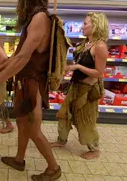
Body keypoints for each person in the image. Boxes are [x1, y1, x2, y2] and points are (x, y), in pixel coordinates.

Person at [0, 0, 61, 180]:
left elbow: (23, 58)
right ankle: (19, 159)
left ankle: (53, 168)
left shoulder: (40, 18)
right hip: (25, 84)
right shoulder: (36, 18)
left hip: (32, 84)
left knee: (33, 130)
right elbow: (19, 55)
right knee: (23, 125)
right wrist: (1, 64)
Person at [50, 12, 109, 160]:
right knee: (64, 114)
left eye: (85, 23)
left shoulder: (100, 46)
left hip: (87, 90)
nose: (82, 26)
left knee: (85, 120)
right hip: (75, 86)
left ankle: (94, 148)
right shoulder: (85, 44)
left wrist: (77, 67)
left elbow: (99, 73)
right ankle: (61, 140)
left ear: (95, 25)